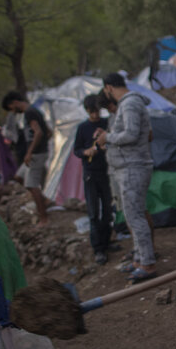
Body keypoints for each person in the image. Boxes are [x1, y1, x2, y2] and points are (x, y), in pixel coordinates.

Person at [95, 73, 157, 282]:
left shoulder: (129, 104)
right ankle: (139, 258)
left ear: (108, 88)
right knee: (132, 215)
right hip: (129, 166)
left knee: (135, 216)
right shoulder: (128, 104)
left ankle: (147, 263)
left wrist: (108, 137)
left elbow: (131, 134)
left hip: (133, 166)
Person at [2, 91, 52, 227]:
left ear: (14, 103)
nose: (13, 112)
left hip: (36, 154)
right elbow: (48, 132)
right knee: (19, 176)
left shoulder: (29, 113)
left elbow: (39, 132)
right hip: (39, 152)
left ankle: (44, 218)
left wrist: (30, 151)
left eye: (11, 108)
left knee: (31, 185)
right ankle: (44, 200)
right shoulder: (34, 111)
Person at [73, 94, 113, 265]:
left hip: (106, 171)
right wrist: (85, 152)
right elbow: (77, 150)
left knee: (108, 209)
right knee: (93, 211)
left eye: (97, 111)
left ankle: (107, 241)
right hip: (90, 173)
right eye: (92, 112)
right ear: (87, 111)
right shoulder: (83, 128)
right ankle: (98, 248)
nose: (95, 115)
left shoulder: (106, 124)